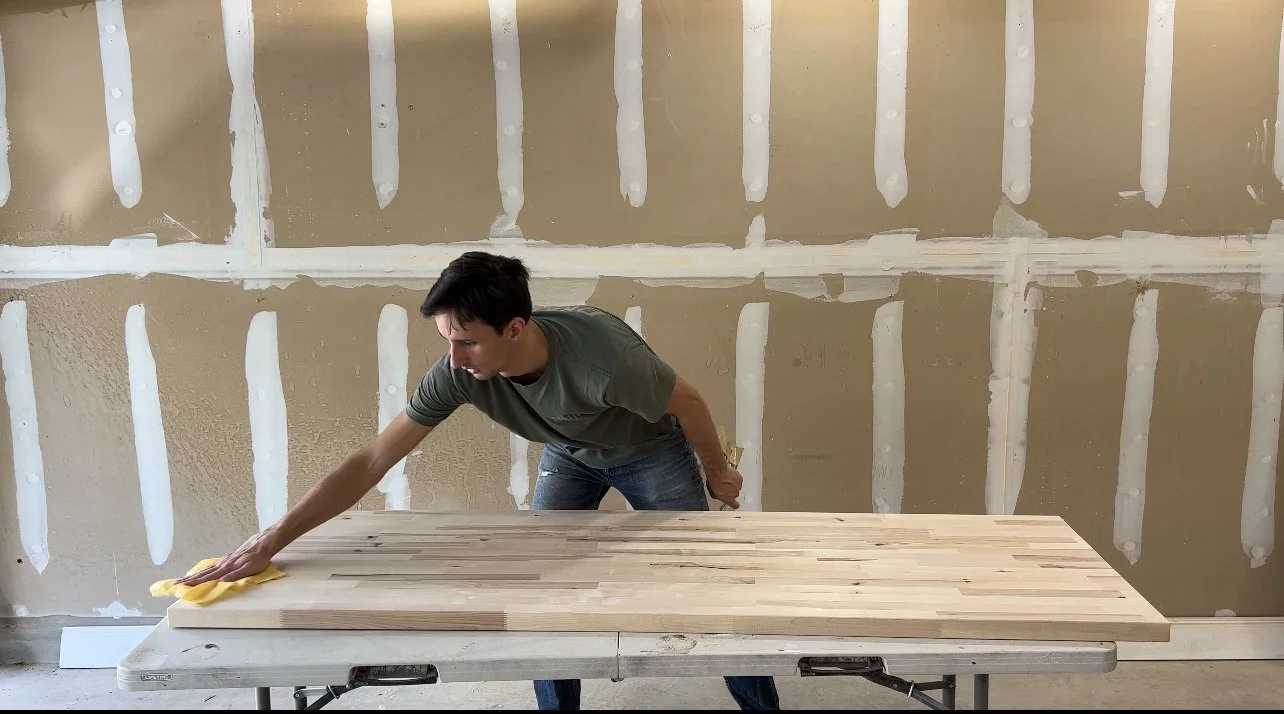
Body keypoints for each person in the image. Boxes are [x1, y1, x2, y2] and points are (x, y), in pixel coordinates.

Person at [178, 250, 781, 710]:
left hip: (649, 452)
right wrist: (270, 540)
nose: (454, 359)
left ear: (515, 328)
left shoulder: (605, 358)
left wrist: (717, 470)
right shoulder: (458, 372)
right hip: (570, 452)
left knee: (705, 585)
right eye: (446, 340)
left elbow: (689, 403)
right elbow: (372, 460)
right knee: (547, 588)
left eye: (467, 343)